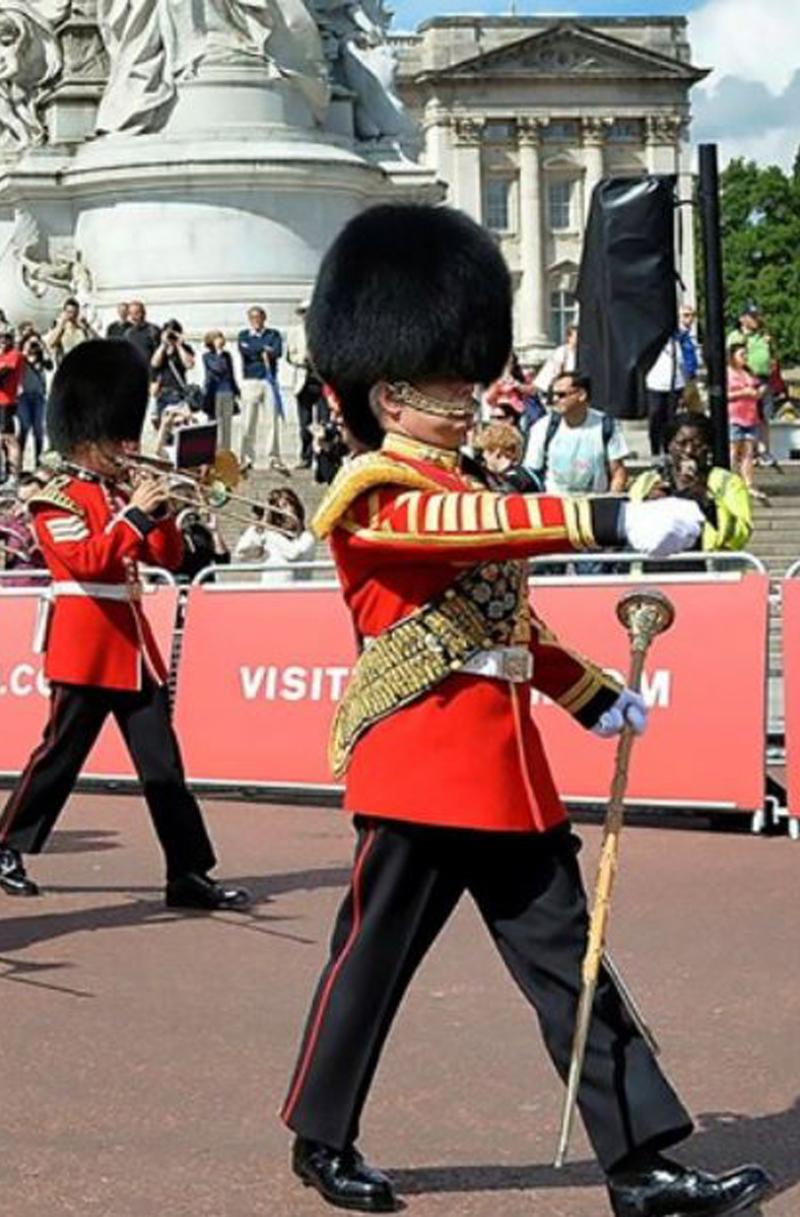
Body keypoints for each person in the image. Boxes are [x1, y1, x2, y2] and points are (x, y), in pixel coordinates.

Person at [279, 203, 766, 1217]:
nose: (469, 396)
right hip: (416, 768)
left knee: (573, 967)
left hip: (504, 773)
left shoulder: (462, 481)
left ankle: (639, 1164)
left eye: (468, 377)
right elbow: (464, 527)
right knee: (370, 962)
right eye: (447, 382)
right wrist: (608, 515)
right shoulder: (374, 492)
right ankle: (321, 1134)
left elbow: (503, 620)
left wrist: (590, 694)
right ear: (389, 391)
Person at [0, 340, 249, 911]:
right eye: (118, 438)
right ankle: (6, 845)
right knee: (59, 758)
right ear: (87, 438)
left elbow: (167, 557)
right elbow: (87, 561)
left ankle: (187, 872)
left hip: (134, 650)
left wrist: (165, 511)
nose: (128, 448)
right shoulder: (55, 497)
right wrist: (134, 513)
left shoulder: (120, 493)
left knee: (164, 767)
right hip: (86, 648)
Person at [629, 412, 752, 552]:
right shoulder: (647, 481)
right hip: (657, 562)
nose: (689, 451)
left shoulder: (728, 482)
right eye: (681, 444)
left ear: (709, 447)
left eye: (698, 445)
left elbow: (741, 533)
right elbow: (630, 528)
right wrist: (647, 505)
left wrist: (707, 503)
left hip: (707, 562)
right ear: (669, 446)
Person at [525, 372, 629, 494]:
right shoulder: (542, 427)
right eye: (552, 395)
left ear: (582, 395)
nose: (554, 399)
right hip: (555, 502)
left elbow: (618, 472)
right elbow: (532, 472)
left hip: (595, 501)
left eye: (561, 395)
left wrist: (611, 498)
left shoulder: (607, 426)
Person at [726, 305, 779, 468]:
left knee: (763, 416)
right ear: (743, 318)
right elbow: (731, 356)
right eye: (752, 316)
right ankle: (744, 453)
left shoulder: (763, 335)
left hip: (763, 378)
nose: (757, 319)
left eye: (757, 316)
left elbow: (772, 356)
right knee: (743, 417)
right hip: (744, 378)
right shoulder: (735, 336)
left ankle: (764, 451)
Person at [237, 306, 287, 473]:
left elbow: (277, 352)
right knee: (248, 421)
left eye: (258, 317)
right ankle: (247, 458)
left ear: (264, 318)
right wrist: (264, 349)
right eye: (252, 318)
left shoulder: (273, 334)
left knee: (272, 420)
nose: (255, 321)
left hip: (269, 380)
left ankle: (273, 457)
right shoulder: (244, 335)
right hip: (250, 381)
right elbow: (245, 350)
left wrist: (259, 350)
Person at [233, 491, 315, 584]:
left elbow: (294, 554)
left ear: (296, 508)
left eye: (285, 505)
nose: (281, 512)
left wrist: (269, 532)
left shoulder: (306, 538)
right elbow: (241, 553)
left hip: (296, 592)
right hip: (269, 591)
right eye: (278, 508)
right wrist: (259, 526)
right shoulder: (271, 536)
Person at [726, 343, 764, 498]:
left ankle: (748, 484)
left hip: (750, 416)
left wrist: (758, 392)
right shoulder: (728, 373)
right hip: (735, 415)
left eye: (746, 354)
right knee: (733, 450)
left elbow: (757, 388)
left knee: (748, 452)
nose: (745, 358)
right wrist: (743, 393)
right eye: (742, 354)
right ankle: (730, 482)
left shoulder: (747, 372)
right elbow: (725, 395)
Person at [644, 334, 686, 457]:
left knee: (671, 421)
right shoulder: (651, 340)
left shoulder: (678, 339)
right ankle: (655, 452)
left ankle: (669, 451)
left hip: (675, 385)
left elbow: (684, 361)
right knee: (655, 418)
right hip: (655, 385)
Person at [472, 420, 540, 492]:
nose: (483, 456)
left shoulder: (516, 480)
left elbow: (500, 496)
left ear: (497, 452)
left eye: (486, 451)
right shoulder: (512, 476)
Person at [151, 319, 196, 423]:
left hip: (178, 392)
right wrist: (163, 344)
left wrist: (179, 345)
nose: (171, 336)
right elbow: (154, 364)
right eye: (168, 333)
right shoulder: (160, 348)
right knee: (162, 425)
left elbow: (189, 365)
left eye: (173, 333)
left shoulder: (185, 348)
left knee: (178, 424)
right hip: (162, 393)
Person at [202, 330, 240, 450]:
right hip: (213, 394)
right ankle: (213, 452)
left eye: (221, 337)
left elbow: (231, 373)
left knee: (227, 425)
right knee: (214, 425)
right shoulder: (207, 356)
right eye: (217, 338)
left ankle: (226, 452)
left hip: (228, 392)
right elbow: (218, 368)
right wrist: (218, 352)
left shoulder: (227, 355)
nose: (221, 340)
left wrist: (236, 391)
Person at [18, 332, 51, 467]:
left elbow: (50, 365)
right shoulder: (21, 358)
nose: (33, 345)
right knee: (24, 428)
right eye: (30, 343)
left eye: (35, 343)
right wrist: (25, 350)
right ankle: (18, 462)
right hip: (24, 396)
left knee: (38, 430)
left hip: (39, 397)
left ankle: (38, 462)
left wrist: (43, 346)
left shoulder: (42, 359)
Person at [0, 324, 25, 488]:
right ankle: (6, 473)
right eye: (0, 337)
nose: (3, 340)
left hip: (6, 402)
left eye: (6, 337)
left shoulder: (14, 355)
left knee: (9, 439)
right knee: (2, 440)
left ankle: (14, 476)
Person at [45, 297, 97, 364]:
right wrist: (62, 323)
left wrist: (87, 325)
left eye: (75, 313)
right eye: (69, 312)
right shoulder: (60, 329)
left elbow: (97, 341)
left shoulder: (82, 329)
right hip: (66, 365)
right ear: (64, 312)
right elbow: (51, 344)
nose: (72, 315)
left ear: (78, 313)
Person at [534, 322, 578, 396]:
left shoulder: (580, 352)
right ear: (569, 337)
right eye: (576, 337)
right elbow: (554, 371)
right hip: (562, 388)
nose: (579, 339)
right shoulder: (562, 351)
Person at [123, 300, 162, 365]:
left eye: (136, 313)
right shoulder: (128, 333)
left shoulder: (153, 331)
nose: (133, 317)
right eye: (130, 313)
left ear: (143, 313)